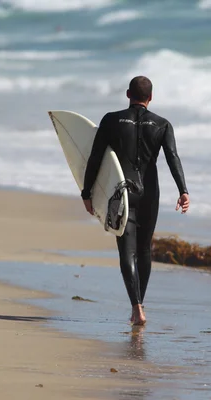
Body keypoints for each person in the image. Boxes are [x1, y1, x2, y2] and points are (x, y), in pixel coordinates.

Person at [81, 76, 190, 326]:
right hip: (150, 193)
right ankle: (140, 304)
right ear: (151, 98)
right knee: (144, 250)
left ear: (128, 94)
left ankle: (136, 306)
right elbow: (173, 157)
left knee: (126, 250)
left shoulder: (110, 120)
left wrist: (87, 192)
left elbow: (96, 158)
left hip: (122, 193)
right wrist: (183, 190)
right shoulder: (163, 125)